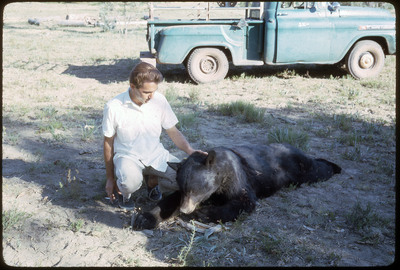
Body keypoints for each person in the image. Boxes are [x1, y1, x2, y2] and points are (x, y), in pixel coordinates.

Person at [102, 62, 205, 210]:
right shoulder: (114, 106)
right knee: (129, 182)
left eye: (154, 91)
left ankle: (153, 181)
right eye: (146, 92)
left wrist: (190, 151)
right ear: (132, 86)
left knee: (186, 181)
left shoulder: (159, 100)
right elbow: (108, 142)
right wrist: (110, 179)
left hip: (156, 155)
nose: (151, 96)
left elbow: (173, 131)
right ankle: (125, 195)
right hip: (128, 156)